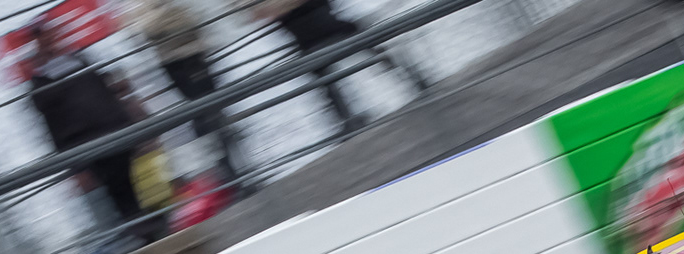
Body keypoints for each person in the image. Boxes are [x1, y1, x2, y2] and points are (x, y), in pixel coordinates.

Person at [25, 21, 161, 240]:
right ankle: (144, 229)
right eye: (44, 36)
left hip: (113, 128)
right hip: (88, 141)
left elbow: (107, 87)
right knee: (120, 187)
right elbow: (52, 123)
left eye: (52, 34)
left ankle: (146, 226)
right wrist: (73, 164)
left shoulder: (79, 59)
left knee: (132, 181)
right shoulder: (41, 80)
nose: (51, 40)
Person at [251, 0, 426, 136]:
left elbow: (262, 14)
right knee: (373, 56)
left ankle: (348, 119)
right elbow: (259, 15)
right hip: (323, 37)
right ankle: (412, 79)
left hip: (319, 40)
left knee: (329, 79)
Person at [127, 0, 244, 183]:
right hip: (181, 61)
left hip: (190, 57)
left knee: (210, 112)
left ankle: (233, 169)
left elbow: (188, 20)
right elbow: (146, 29)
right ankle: (229, 170)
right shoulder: (145, 8)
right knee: (206, 114)